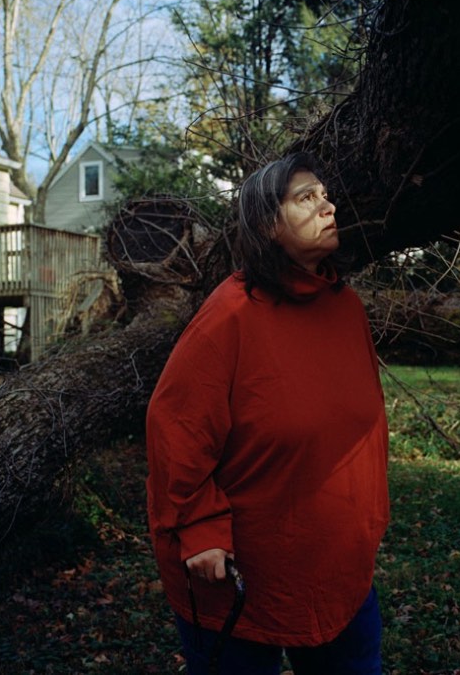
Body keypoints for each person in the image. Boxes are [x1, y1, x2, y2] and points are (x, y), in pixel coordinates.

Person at [146, 152, 390, 675]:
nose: (327, 206)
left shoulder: (345, 308)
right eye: (306, 198)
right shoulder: (230, 315)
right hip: (243, 572)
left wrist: (367, 522)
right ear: (266, 224)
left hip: (337, 568)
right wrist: (199, 528)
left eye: (325, 195)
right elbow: (176, 429)